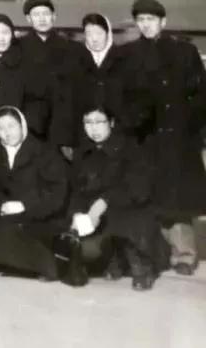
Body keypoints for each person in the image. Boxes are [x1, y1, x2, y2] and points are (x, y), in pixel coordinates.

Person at [120, 0, 206, 275]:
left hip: (179, 136)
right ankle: (155, 252)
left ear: (163, 22)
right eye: (141, 20)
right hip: (145, 137)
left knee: (178, 199)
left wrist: (193, 127)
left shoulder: (184, 51)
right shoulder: (128, 54)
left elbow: (200, 95)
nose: (146, 25)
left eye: (151, 20)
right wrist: (134, 121)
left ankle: (184, 254)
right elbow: (123, 95)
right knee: (149, 195)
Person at [63, 102, 161, 290]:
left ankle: (142, 265)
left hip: (130, 212)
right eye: (88, 123)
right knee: (82, 249)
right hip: (98, 218)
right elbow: (76, 191)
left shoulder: (131, 148)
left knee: (129, 223)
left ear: (112, 123)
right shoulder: (83, 153)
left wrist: (104, 201)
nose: (93, 128)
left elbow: (138, 189)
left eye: (99, 122)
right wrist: (76, 214)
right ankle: (114, 258)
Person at [0, 106, 69, 282]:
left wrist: (24, 205)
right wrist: (2, 204)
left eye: (11, 126)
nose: (7, 133)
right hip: (9, 217)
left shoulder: (44, 152)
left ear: (23, 125)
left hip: (42, 216)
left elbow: (57, 192)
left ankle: (51, 266)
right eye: (1, 128)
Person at [19, 0, 91, 156]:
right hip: (30, 122)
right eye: (36, 15)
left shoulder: (73, 49)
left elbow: (82, 88)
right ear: (28, 19)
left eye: (46, 14)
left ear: (54, 16)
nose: (42, 19)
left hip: (63, 122)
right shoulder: (18, 47)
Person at [71, 14, 132, 144]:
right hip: (85, 134)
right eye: (89, 34)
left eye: (99, 33)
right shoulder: (76, 61)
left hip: (119, 133)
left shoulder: (124, 59)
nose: (94, 39)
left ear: (108, 33)